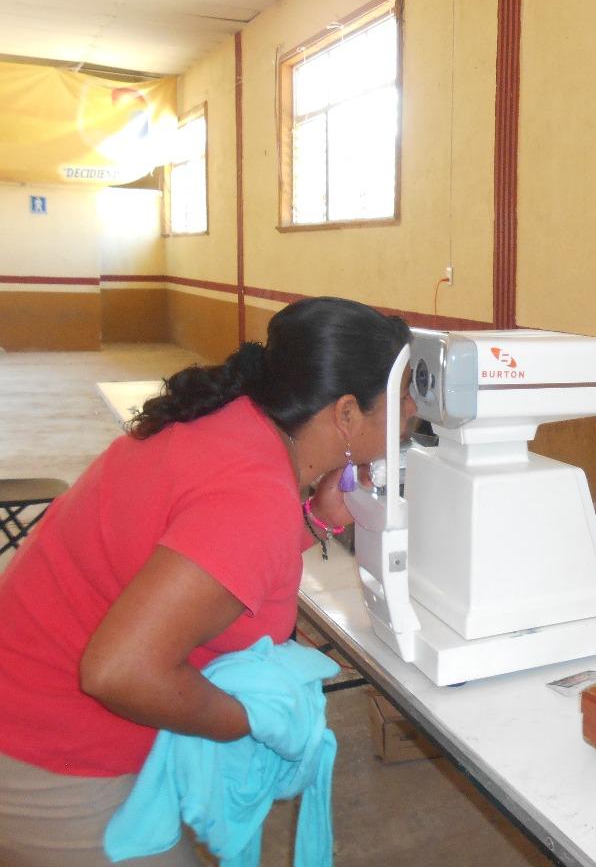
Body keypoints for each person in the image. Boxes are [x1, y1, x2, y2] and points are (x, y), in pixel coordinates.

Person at [0, 296, 414, 866]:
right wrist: (253, 722)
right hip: (49, 749)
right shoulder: (253, 495)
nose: (412, 414)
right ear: (346, 414)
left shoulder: (237, 422)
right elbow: (118, 671)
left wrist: (315, 518)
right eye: (401, 401)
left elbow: (204, 551)